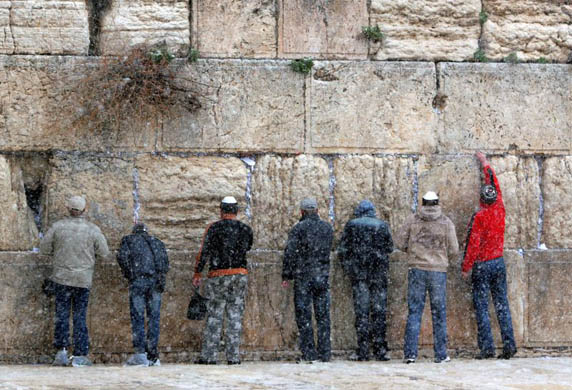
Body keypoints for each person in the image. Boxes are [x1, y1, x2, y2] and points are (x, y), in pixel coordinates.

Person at [40, 195, 109, 367]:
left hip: (61, 278)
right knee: (80, 316)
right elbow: (104, 252)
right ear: (84, 210)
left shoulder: (58, 227)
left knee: (61, 315)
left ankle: (61, 351)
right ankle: (80, 354)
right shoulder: (92, 229)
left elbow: (44, 248)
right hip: (83, 279)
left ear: (68, 209)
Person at [462, 152, 517, 360]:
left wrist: (466, 267)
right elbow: (495, 183)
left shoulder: (480, 216)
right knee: (502, 304)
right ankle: (509, 344)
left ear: (481, 199)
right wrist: (486, 164)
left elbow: (473, 246)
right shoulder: (500, 208)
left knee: (482, 307)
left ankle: (487, 348)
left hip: (482, 266)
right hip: (498, 262)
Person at [395, 191, 458, 364]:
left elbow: (399, 242)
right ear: (437, 203)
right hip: (438, 271)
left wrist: (416, 252)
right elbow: (454, 249)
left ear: (423, 203)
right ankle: (441, 354)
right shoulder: (446, 222)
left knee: (415, 311)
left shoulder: (413, 220)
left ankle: (410, 354)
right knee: (439, 312)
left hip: (417, 269)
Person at [193, 196, 253, 365]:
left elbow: (203, 252)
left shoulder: (213, 228)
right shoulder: (246, 229)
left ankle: (209, 356)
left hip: (218, 275)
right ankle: (233, 356)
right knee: (235, 315)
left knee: (214, 315)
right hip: (239, 274)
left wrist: (197, 273)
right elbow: (248, 247)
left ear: (221, 211)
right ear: (237, 211)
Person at [338, 200, 394, 361]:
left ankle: (362, 351)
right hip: (378, 275)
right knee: (379, 312)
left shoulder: (352, 225)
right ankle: (380, 350)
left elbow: (343, 249)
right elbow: (389, 247)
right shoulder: (381, 225)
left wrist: (350, 267)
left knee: (362, 313)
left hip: (359, 275)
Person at [282, 198, 334, 363]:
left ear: (302, 212)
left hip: (304, 276)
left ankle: (309, 352)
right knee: (323, 316)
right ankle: (325, 352)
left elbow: (290, 253)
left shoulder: (298, 228)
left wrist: (286, 275)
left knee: (304, 316)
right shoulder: (327, 228)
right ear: (317, 211)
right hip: (322, 275)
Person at [117, 223, 169, 367]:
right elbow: (165, 263)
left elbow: (122, 257)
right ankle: (153, 355)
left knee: (138, 317)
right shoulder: (157, 242)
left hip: (138, 281)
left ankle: (140, 354)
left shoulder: (128, 240)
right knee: (154, 318)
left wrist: (130, 274)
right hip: (155, 283)